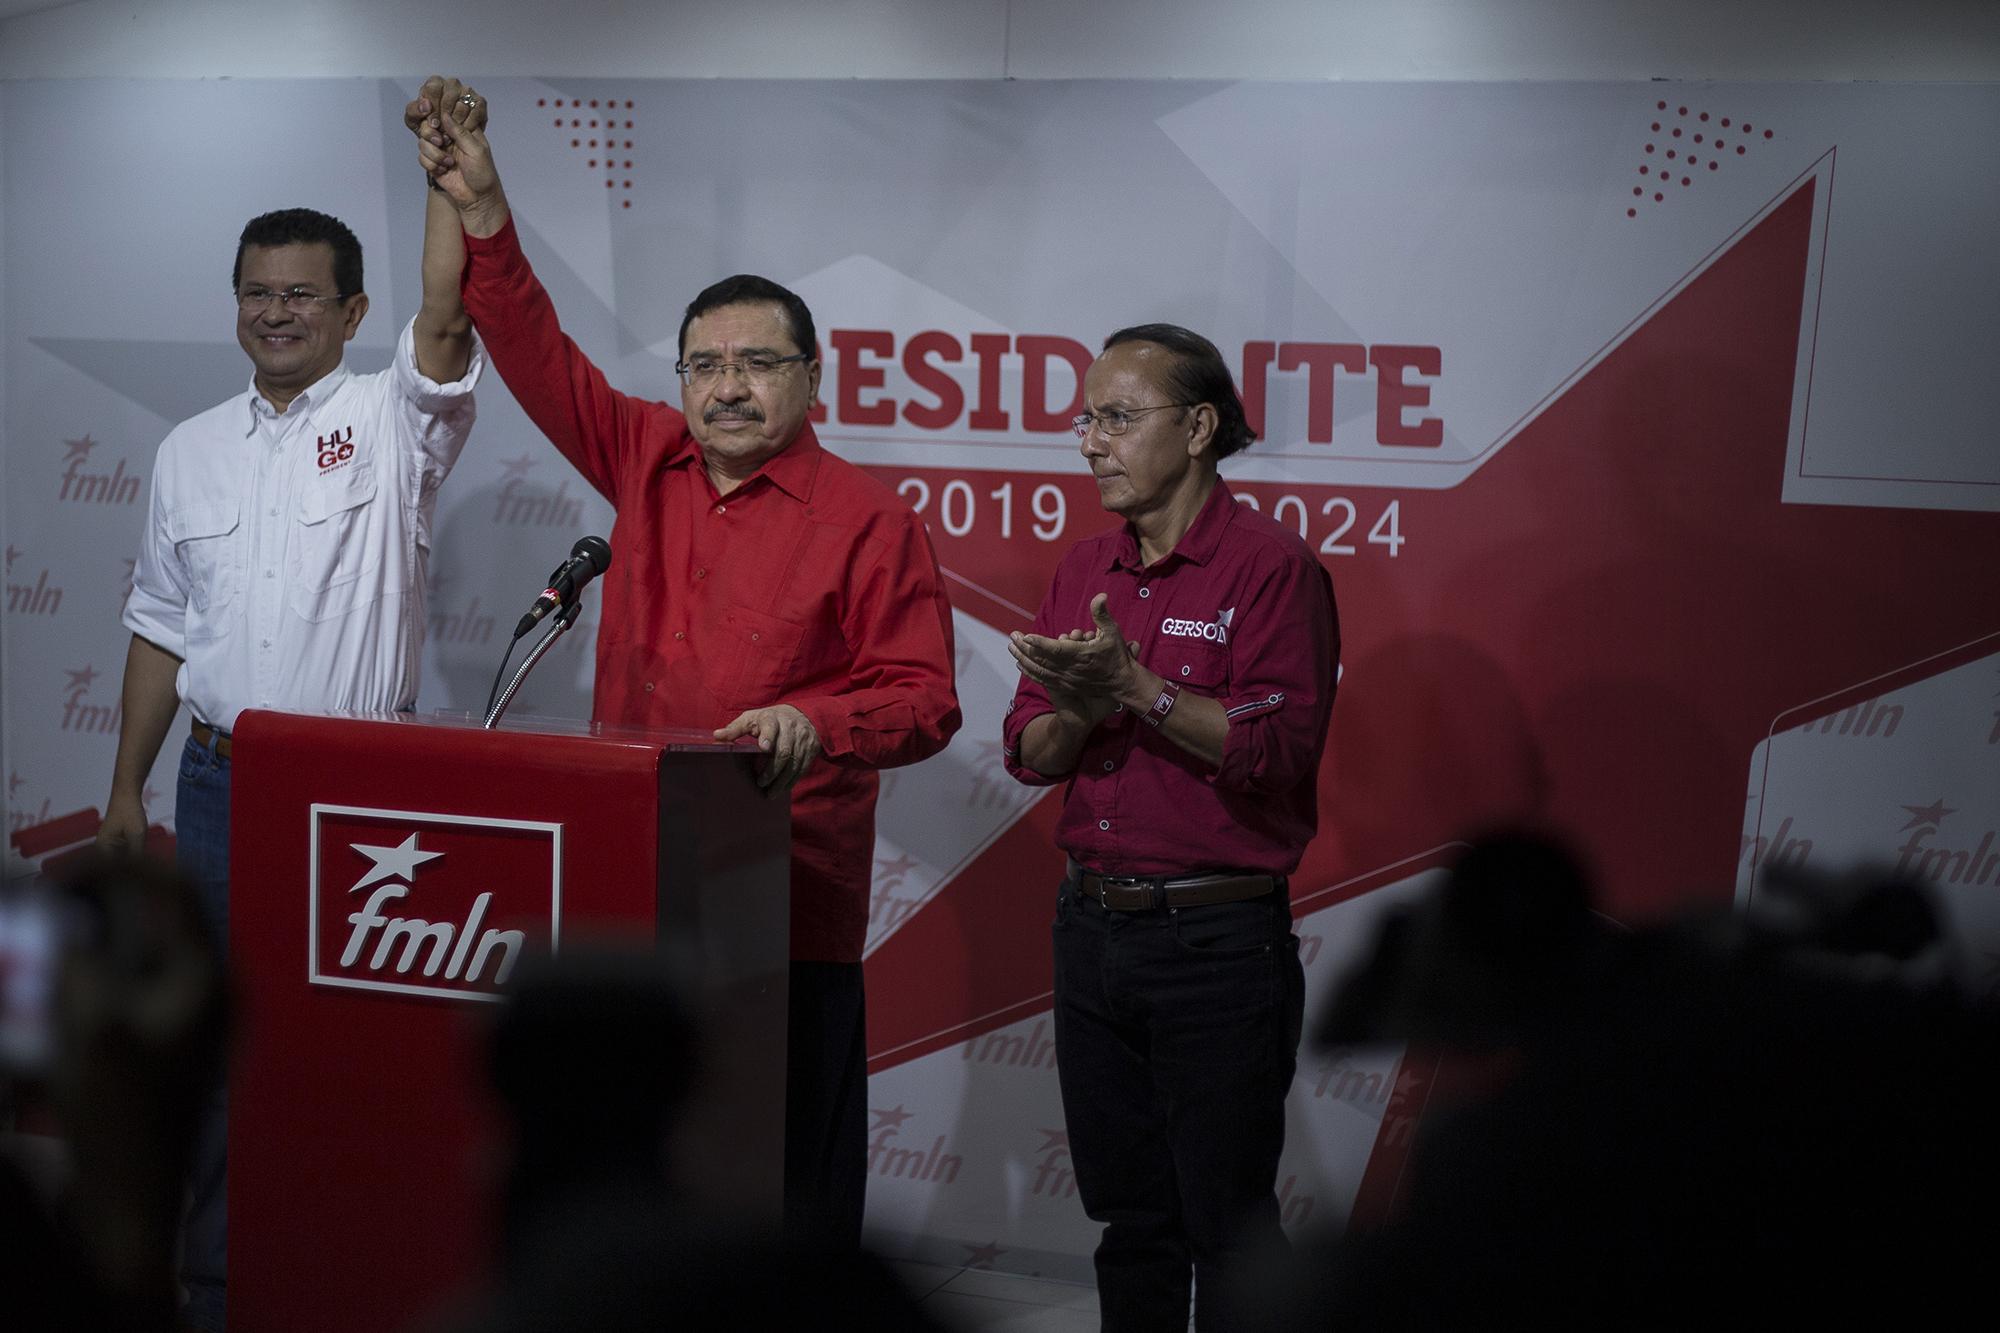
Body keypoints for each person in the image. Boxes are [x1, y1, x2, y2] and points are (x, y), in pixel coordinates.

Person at [405, 78, 960, 1254]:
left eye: (758, 362)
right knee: (636, 1177)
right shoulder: (643, 455)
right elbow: (531, 348)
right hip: (632, 884)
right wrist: (484, 201)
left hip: (785, 905)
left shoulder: (866, 519)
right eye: (704, 362)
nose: (726, 385)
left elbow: (924, 700)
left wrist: (818, 718)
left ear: (813, 379)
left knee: (783, 1193)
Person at [95, 87, 486, 1329]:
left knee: (343, 1049)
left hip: (356, 796)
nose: (274, 312)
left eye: (301, 293)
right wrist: (125, 790)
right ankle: (215, 1292)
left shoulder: (393, 416)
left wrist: (441, 176)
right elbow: (162, 626)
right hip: (215, 786)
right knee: (213, 1054)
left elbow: (445, 308)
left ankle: (352, 1281)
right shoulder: (188, 450)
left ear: (352, 312)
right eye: (256, 291)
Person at [1002, 325, 1338, 1330]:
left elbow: (1275, 754)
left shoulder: (1272, 568)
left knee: (1227, 1226)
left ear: (1197, 426)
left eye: (1115, 417)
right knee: (1128, 1219)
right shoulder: (1082, 567)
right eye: (1084, 420)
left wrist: (1134, 688)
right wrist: (1075, 703)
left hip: (1216, 943)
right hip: (1090, 930)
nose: (1089, 442)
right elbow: (1028, 750)